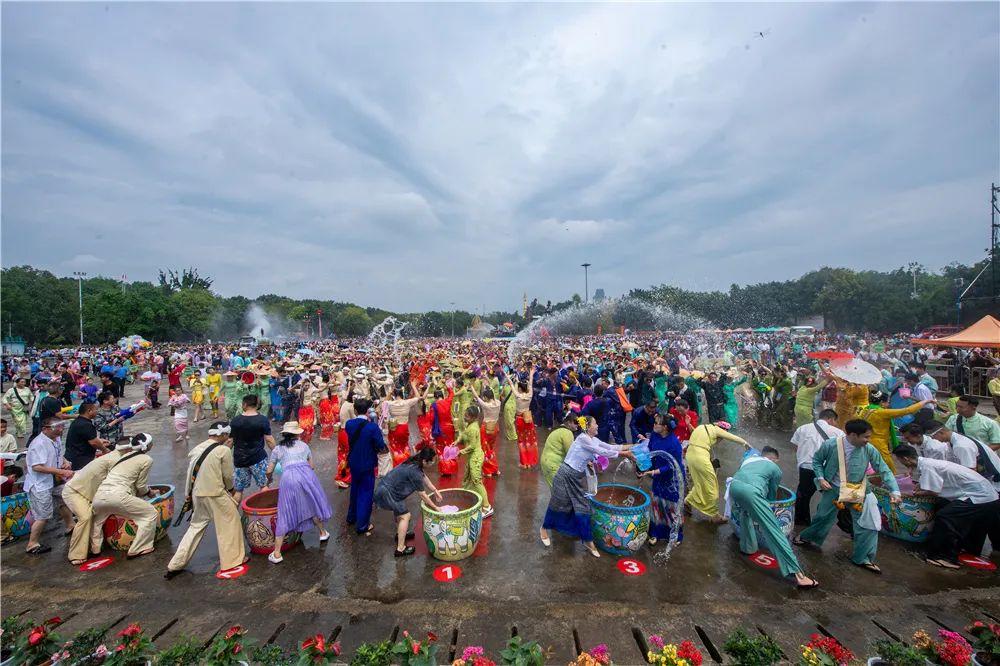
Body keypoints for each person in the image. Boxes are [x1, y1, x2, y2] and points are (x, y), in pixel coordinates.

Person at [794, 419, 901, 574]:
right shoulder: (831, 445)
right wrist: (821, 478)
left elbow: (884, 469)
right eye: (865, 437)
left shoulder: (869, 449)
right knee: (823, 517)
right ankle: (808, 537)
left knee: (868, 524)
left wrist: (895, 490)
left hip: (860, 491)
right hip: (834, 489)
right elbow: (816, 462)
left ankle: (863, 558)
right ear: (852, 435)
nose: (868, 440)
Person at [892, 444, 1000, 569]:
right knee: (970, 522)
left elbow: (934, 492)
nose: (900, 463)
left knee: (945, 517)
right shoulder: (928, 463)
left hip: (979, 496)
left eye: (899, 460)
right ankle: (968, 551)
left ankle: (945, 557)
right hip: (986, 495)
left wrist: (911, 493)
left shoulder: (927, 466)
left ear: (905, 459)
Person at [539, 416, 633, 557]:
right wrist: (624, 454)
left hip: (576, 478)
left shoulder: (593, 440)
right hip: (564, 474)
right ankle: (544, 528)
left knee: (583, 508)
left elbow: (609, 447)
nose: (597, 425)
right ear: (588, 426)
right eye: (595, 423)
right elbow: (602, 452)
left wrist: (631, 446)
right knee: (558, 502)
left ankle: (587, 541)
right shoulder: (583, 438)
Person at [729, 446, 819, 589]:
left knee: (745, 513)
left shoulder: (749, 459)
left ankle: (748, 547)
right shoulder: (775, 469)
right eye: (777, 461)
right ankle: (798, 575)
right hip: (752, 492)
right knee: (773, 530)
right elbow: (772, 495)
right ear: (773, 459)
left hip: (734, 486)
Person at [166, 422, 247, 578]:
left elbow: (191, 472)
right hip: (215, 493)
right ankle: (232, 562)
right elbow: (228, 476)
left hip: (197, 493)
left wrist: (188, 495)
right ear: (223, 435)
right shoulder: (223, 450)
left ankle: (175, 564)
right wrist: (231, 490)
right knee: (230, 522)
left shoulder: (199, 448)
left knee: (195, 527)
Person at [265, 422, 333, 564]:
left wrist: (269, 480)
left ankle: (277, 553)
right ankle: (322, 533)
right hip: (307, 476)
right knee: (312, 504)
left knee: (285, 511)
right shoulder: (304, 446)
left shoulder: (278, 449)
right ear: (297, 434)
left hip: (288, 478)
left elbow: (269, 470)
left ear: (284, 434)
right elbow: (312, 466)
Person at [91, 433, 161, 559]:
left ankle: (95, 549)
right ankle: (140, 547)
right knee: (150, 513)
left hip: (99, 496)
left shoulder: (124, 456)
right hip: (118, 495)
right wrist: (150, 492)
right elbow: (140, 486)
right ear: (147, 446)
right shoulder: (146, 459)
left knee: (98, 521)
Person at [374, 448, 443, 557]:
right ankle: (400, 549)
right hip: (387, 492)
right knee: (405, 516)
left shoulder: (415, 462)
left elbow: (424, 477)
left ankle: (401, 534)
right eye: (432, 461)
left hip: (390, 490)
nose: (433, 463)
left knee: (400, 514)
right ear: (425, 461)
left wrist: (435, 490)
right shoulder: (414, 471)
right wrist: (436, 508)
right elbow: (423, 495)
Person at [63, 442, 125, 564]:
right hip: (74, 491)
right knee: (85, 517)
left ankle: (95, 549)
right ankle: (76, 555)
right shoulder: (114, 460)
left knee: (97, 517)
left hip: (89, 493)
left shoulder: (116, 457)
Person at [23, 418, 74, 555]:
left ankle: (70, 525)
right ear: (45, 429)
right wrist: (61, 471)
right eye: (57, 427)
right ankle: (32, 543)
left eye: (62, 427)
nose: (61, 429)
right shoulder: (38, 444)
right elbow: (37, 467)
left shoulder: (55, 439)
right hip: (40, 484)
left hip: (55, 480)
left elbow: (59, 454)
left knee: (64, 501)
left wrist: (65, 462)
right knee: (43, 515)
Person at [685, 422, 749, 523]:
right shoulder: (716, 430)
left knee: (699, 482)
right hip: (700, 457)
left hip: (690, 455)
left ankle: (688, 501)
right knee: (712, 487)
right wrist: (746, 444)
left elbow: (697, 441)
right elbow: (731, 437)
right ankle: (714, 515)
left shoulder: (701, 427)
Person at [790, 409, 845, 526]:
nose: (835, 424)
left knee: (803, 495)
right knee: (831, 497)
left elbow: (795, 446)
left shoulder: (802, 428)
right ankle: (826, 523)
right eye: (835, 421)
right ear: (830, 419)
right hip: (827, 469)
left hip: (805, 467)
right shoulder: (838, 433)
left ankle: (802, 521)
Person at [638, 414, 685, 545]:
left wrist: (652, 472)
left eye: (657, 423)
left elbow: (671, 466)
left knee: (671, 508)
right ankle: (654, 533)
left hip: (672, 480)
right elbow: (651, 451)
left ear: (665, 427)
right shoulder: (654, 435)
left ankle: (676, 535)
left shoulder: (674, 444)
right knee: (656, 505)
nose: (654, 425)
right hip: (658, 477)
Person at [854, 391, 927, 471]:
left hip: (866, 442)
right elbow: (907, 410)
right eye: (887, 402)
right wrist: (925, 401)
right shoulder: (881, 412)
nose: (888, 405)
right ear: (882, 402)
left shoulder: (864, 411)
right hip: (879, 444)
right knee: (889, 469)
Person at [345, 398, 388, 536]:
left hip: (353, 461)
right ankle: (362, 525)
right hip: (367, 463)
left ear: (355, 410)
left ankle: (351, 517)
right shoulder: (372, 427)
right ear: (368, 411)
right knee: (365, 493)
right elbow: (381, 446)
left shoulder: (349, 424)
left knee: (355, 489)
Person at [229, 395, 274, 502]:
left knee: (238, 490)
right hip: (258, 459)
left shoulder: (235, 420)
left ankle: (233, 517)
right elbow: (269, 440)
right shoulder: (262, 420)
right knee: (264, 486)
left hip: (240, 460)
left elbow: (230, 441)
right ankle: (266, 515)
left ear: (244, 404)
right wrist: (277, 452)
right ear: (257, 405)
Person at [455, 404, 494, 518]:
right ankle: (467, 496)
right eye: (465, 415)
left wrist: (460, 452)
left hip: (475, 457)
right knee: (468, 478)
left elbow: (472, 446)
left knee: (477, 481)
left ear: (473, 418)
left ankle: (487, 507)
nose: (464, 418)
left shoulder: (473, 428)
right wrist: (457, 441)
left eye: (467, 416)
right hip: (471, 457)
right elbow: (463, 434)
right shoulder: (471, 424)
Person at [63, 402, 110, 471]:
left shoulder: (77, 421)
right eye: (96, 410)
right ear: (89, 411)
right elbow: (94, 442)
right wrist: (105, 450)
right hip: (80, 460)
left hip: (74, 456)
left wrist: (99, 440)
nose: (97, 412)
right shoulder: (85, 425)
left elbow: (87, 438)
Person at [540, 414, 580, 486]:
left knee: (555, 489)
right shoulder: (567, 433)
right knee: (559, 491)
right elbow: (570, 453)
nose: (578, 425)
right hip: (553, 464)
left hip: (546, 462)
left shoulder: (558, 430)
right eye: (575, 422)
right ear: (568, 423)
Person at [471, 385, 501, 477]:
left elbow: (476, 396)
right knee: (491, 448)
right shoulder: (498, 403)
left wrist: (472, 387)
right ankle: (495, 469)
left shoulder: (486, 405)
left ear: (486, 397)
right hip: (495, 427)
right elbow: (491, 392)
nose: (483, 398)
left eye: (484, 397)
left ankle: (488, 470)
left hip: (486, 428)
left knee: (484, 448)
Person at [3, 376, 34, 442]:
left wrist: (33, 402)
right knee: (18, 421)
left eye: (24, 382)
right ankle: (22, 431)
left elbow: (31, 396)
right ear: (17, 383)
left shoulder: (27, 389)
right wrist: (7, 405)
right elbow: (5, 398)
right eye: (22, 382)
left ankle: (19, 432)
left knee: (23, 420)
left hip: (24, 408)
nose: (23, 383)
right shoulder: (11, 390)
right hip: (14, 408)